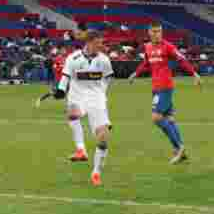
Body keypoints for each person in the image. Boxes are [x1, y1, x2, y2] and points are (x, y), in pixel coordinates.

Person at [128, 24, 200, 164]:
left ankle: (179, 148)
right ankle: (180, 151)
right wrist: (135, 74)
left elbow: (181, 60)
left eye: (159, 31)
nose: (157, 34)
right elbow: (146, 63)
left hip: (165, 87)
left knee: (156, 117)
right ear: (149, 33)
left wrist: (194, 73)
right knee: (170, 119)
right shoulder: (148, 47)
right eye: (154, 31)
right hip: (156, 87)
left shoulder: (168, 46)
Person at [54, 30, 114, 186]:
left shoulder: (104, 60)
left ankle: (96, 172)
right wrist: (61, 89)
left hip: (96, 99)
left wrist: (102, 92)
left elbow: (108, 78)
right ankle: (81, 149)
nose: (101, 45)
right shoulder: (73, 58)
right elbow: (66, 75)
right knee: (73, 113)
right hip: (77, 95)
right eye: (99, 43)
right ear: (89, 42)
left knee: (103, 139)